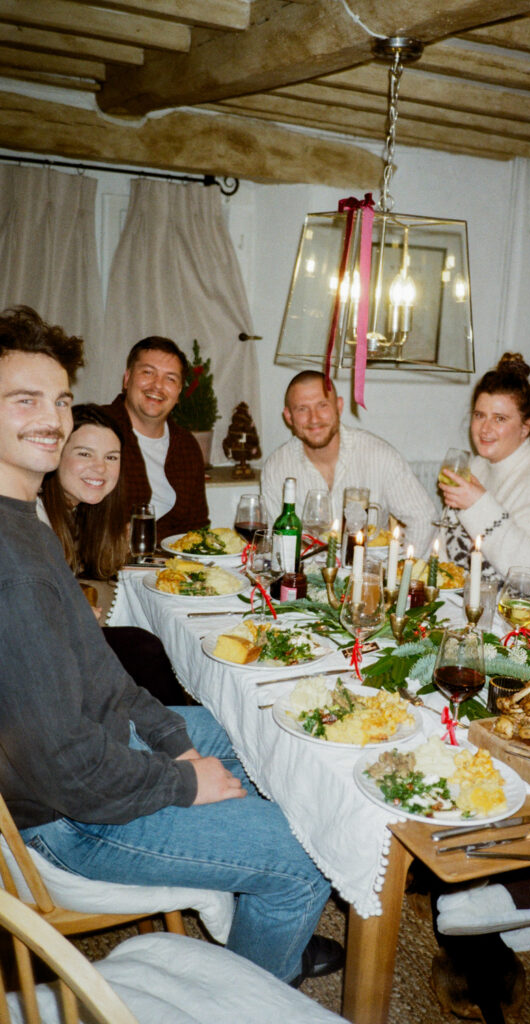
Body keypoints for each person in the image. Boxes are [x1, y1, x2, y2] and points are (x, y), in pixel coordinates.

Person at [0, 306, 340, 985]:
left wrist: (170, 740)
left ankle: (252, 918)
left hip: (96, 754)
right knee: (305, 856)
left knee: (253, 734)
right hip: (71, 820)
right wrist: (182, 781)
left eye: (60, 400)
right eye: (24, 400)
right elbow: (69, 770)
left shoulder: (25, 519)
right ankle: (251, 985)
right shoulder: (16, 569)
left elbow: (100, 673)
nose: (53, 419)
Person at [39, 402, 186, 705]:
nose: (100, 468)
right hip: (41, 661)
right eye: (84, 454)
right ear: (57, 454)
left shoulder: (84, 510)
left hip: (64, 643)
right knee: (145, 648)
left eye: (111, 457)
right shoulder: (36, 514)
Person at [442, 353, 530, 594]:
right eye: (479, 415)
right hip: (464, 603)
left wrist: (477, 504)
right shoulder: (478, 465)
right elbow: (446, 544)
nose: (485, 429)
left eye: (500, 419)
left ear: (526, 427)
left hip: (527, 613)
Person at [261, 371, 437, 555]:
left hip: (371, 570)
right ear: (289, 416)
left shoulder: (379, 455)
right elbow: (277, 541)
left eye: (322, 405)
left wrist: (397, 566)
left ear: (339, 406)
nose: (314, 419)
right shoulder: (276, 469)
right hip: (306, 571)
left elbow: (424, 519)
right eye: (302, 409)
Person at [103, 337, 209, 541]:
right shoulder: (97, 427)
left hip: (171, 559)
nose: (157, 385)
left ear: (179, 392)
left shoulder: (186, 446)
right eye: (148, 372)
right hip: (105, 557)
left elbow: (197, 526)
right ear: (127, 379)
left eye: (170, 379)